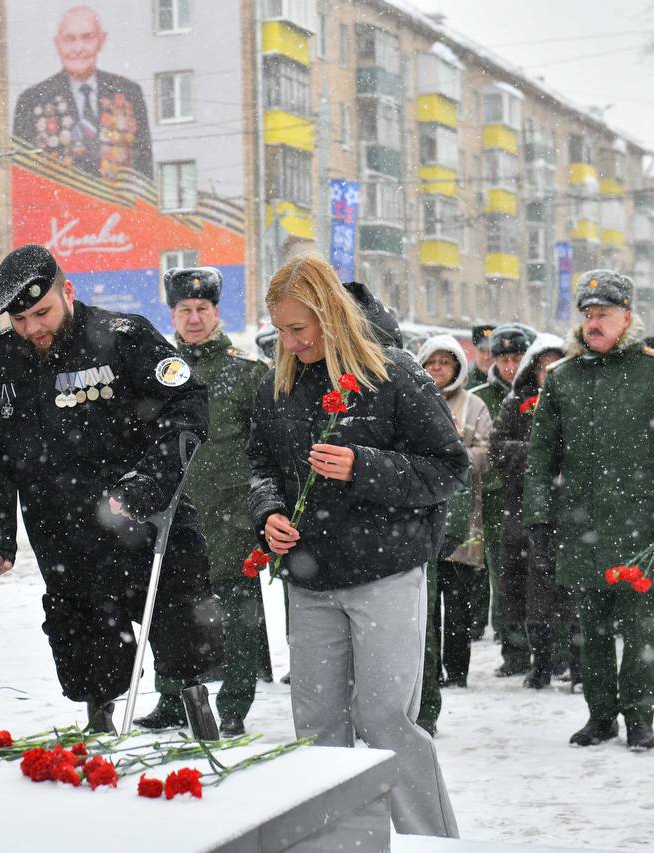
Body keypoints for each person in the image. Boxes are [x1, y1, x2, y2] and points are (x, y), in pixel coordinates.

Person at [0, 244, 223, 734]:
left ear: (69, 291)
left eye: (42, 312)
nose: (33, 328)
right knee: (87, 651)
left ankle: (199, 716)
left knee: (182, 634)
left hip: (143, 517)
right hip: (64, 535)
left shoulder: (123, 337)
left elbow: (187, 404)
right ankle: (100, 732)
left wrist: (151, 482)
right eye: (19, 319)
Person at [247, 254, 464, 838]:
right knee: (316, 726)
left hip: (385, 574)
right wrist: (268, 514)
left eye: (299, 329)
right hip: (310, 583)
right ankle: (332, 845)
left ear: (331, 315)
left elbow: (447, 469)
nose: (289, 344)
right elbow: (261, 466)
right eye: (281, 331)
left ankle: (430, 843)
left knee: (385, 720)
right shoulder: (279, 385)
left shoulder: (395, 374)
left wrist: (363, 466)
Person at [525, 269, 654, 751]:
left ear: (627, 317)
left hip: (640, 526)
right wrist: (539, 518)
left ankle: (639, 718)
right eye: (587, 314)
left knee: (640, 627)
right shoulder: (563, 379)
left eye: (603, 314)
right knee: (593, 629)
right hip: (582, 523)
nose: (593, 323)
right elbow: (540, 458)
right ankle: (600, 715)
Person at [133, 267, 269, 737]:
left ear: (216, 312)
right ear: (172, 314)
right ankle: (173, 700)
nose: (193, 318)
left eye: (202, 309)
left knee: (238, 615)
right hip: (176, 516)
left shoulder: (247, 372)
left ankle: (233, 705)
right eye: (184, 310)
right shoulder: (159, 370)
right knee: (172, 610)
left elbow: (266, 445)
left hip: (233, 516)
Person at [415, 334, 491, 734]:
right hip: (424, 514)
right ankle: (431, 674)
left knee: (457, 599)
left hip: (465, 513)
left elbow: (487, 451)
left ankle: (456, 668)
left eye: (445, 363)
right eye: (432, 363)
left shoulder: (473, 404)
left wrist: (458, 454)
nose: (438, 370)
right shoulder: (415, 398)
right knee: (427, 606)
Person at [489, 333, 569, 690]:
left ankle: (576, 662)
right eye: (542, 368)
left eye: (555, 367)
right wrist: (539, 459)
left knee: (568, 588)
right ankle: (540, 661)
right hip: (522, 510)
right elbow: (498, 449)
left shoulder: (577, 401)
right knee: (530, 592)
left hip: (568, 512)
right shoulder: (516, 404)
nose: (548, 374)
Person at [11, 5, 153, 180]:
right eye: (69, 39)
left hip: (116, 206)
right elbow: (23, 177)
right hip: (60, 205)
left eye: (87, 38)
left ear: (101, 40)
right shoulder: (32, 100)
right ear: (57, 44)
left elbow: (145, 172)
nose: (78, 48)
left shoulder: (128, 92)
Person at [470, 322, 536, 675]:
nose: (510, 365)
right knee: (504, 574)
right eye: (503, 358)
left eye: (517, 357)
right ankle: (513, 649)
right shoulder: (481, 394)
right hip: (495, 497)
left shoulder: (540, 389)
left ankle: (542, 646)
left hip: (537, 494)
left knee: (539, 573)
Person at [467, 323, 496, 388]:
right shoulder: (463, 381)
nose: (486, 357)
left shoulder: (509, 382)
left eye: (491, 351)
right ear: (475, 351)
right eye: (482, 351)